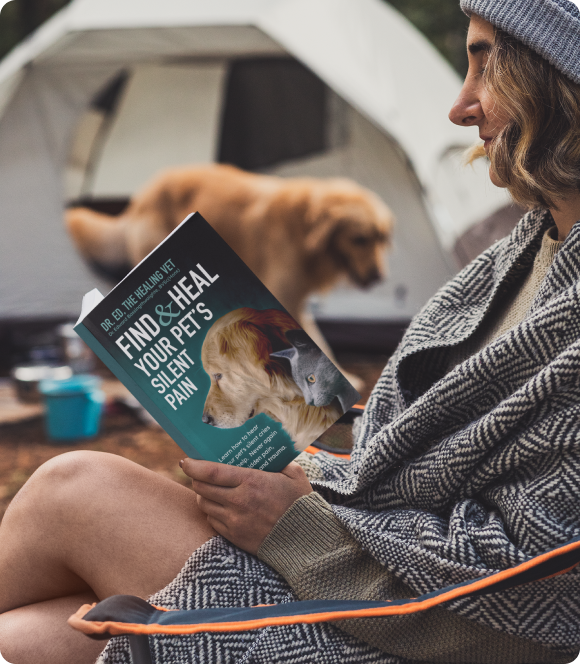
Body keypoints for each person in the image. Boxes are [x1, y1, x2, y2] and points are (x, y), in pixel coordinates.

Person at [2, 0, 580, 661]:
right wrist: (293, 436)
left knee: (75, 491)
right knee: (26, 640)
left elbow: (531, 605)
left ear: (557, 82)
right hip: (360, 553)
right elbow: (410, 450)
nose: (459, 107)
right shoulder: (527, 248)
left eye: (487, 68)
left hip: (400, 618)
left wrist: (294, 526)